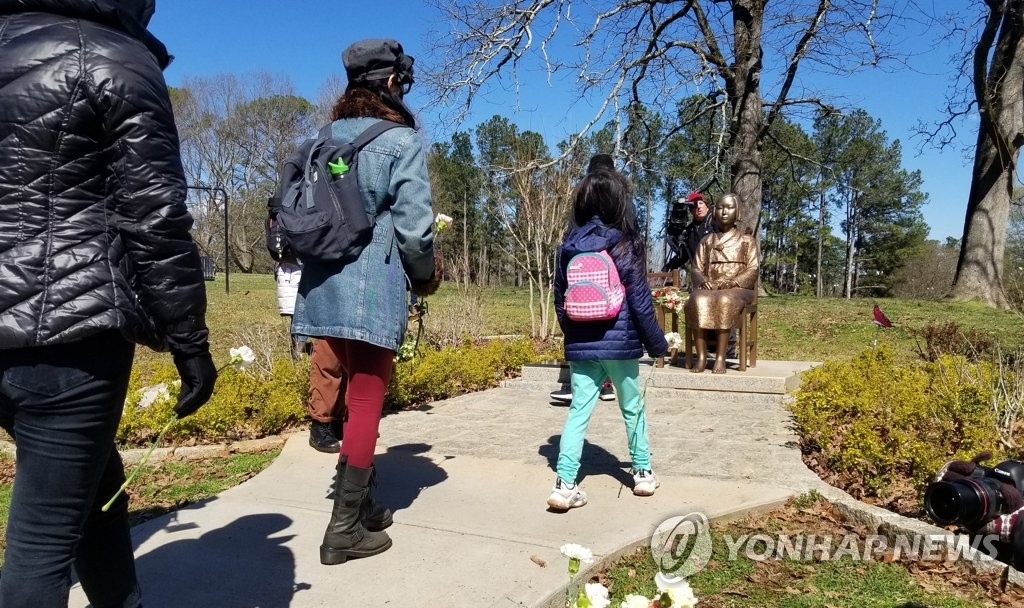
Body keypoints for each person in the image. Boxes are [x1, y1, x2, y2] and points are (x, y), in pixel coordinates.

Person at [0, 2, 217, 606]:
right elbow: (155, 218)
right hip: (70, 330)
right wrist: (189, 341)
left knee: (99, 478)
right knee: (41, 544)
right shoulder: (113, 54)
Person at [291, 38, 441, 565]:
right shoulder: (401, 142)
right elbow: (417, 233)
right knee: (366, 401)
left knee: (354, 396)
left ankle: (365, 503)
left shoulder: (322, 138)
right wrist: (424, 277)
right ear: (392, 84)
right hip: (371, 288)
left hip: (322, 285)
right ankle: (343, 530)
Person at [548, 157, 669, 511]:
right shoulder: (624, 243)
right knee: (632, 407)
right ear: (620, 202)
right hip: (621, 342)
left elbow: (560, 300)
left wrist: (573, 336)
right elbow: (641, 302)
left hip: (583, 344)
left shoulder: (568, 245)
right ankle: (643, 473)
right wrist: (657, 345)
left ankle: (564, 484)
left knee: (578, 412)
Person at [683, 193, 759, 374]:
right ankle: (701, 357)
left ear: (737, 211)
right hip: (711, 287)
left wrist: (734, 281)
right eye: (720, 207)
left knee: (725, 299)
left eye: (729, 207)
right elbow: (696, 269)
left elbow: (753, 268)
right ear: (715, 212)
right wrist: (704, 281)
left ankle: (720, 357)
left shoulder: (747, 240)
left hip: (737, 289)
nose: (724, 211)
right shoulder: (707, 241)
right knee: (697, 300)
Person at [663, 191, 719, 275]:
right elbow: (683, 256)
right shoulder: (689, 230)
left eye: (701, 203)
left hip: (718, 272)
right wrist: (666, 268)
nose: (698, 207)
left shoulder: (717, 222)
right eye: (695, 205)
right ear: (691, 210)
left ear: (707, 206)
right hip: (700, 276)